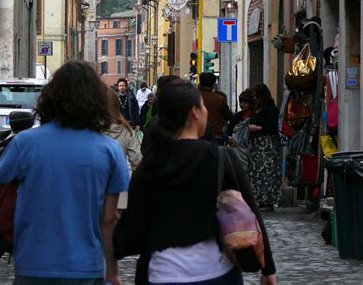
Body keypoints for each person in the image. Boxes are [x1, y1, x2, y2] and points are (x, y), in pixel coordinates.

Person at [113, 80, 277, 285]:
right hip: (217, 273)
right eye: (203, 106)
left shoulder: (149, 167)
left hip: (162, 273)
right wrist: (268, 269)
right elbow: (252, 213)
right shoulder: (222, 158)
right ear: (195, 112)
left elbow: (131, 234)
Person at [0, 61, 129, 285]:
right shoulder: (109, 151)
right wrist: (112, 271)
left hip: (32, 262)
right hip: (85, 266)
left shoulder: (25, 143)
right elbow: (108, 219)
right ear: (97, 101)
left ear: (50, 97)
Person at [105, 87, 142, 209]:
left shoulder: (89, 131)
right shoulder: (126, 130)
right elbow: (137, 160)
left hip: (94, 196)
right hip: (120, 195)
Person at [247, 83, 282, 210]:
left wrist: (258, 128)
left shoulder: (271, 109)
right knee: (257, 173)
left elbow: (273, 127)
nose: (254, 98)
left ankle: (268, 201)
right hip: (257, 147)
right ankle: (260, 200)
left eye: (256, 95)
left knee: (267, 173)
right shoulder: (257, 108)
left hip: (267, 146)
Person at [198, 73, 234, 145]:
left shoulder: (194, 97)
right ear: (213, 85)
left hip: (197, 136)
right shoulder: (219, 99)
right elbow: (229, 116)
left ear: (200, 83)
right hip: (216, 137)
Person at [227, 89, 254, 167]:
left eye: (245, 103)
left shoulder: (254, 117)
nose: (242, 104)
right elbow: (229, 130)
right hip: (236, 148)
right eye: (241, 102)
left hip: (248, 149)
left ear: (250, 103)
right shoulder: (237, 116)